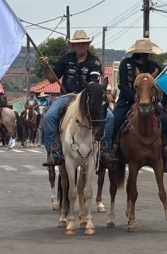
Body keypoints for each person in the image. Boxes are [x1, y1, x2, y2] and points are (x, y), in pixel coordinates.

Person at [41, 30, 114, 167]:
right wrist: (45, 67)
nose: (81, 46)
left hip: (87, 98)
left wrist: (86, 91)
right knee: (49, 116)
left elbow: (93, 83)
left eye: (84, 43)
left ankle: (105, 150)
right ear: (73, 46)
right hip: (68, 96)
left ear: (87, 45)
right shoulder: (66, 59)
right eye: (78, 44)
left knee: (110, 117)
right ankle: (54, 152)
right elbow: (52, 79)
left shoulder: (94, 61)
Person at [109, 37, 167, 173]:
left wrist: (161, 102)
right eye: (149, 52)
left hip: (150, 103)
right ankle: (109, 152)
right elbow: (122, 84)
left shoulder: (155, 67)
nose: (151, 54)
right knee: (113, 121)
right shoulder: (126, 63)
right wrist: (134, 97)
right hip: (127, 101)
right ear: (142, 53)